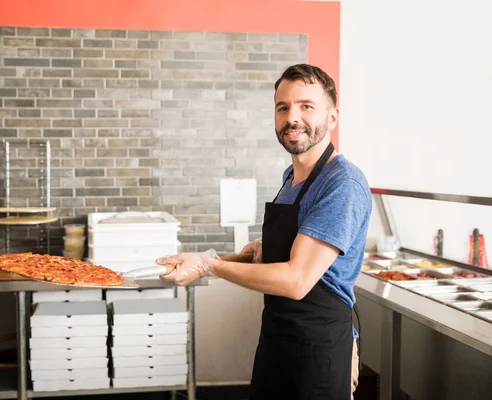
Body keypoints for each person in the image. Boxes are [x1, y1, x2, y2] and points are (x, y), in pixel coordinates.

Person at [156, 63, 372, 399]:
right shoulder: (292, 176)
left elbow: (297, 280)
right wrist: (209, 257)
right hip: (278, 340)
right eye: (282, 107)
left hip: (320, 350)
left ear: (332, 118)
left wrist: (209, 266)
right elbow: (286, 253)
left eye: (306, 106)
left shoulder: (341, 183)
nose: (292, 118)